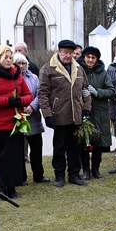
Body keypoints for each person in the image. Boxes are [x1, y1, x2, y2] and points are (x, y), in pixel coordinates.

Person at [0, 44, 33, 198]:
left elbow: (29, 95)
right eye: (5, 57)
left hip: (15, 123)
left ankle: (12, 187)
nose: (9, 60)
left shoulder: (17, 74)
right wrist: (7, 101)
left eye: (10, 57)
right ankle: (1, 187)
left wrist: (20, 101)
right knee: (0, 157)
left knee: (14, 157)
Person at [38, 39, 92, 187]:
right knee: (59, 148)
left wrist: (86, 109)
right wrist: (48, 115)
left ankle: (74, 174)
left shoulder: (79, 69)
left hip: (76, 116)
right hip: (58, 116)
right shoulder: (48, 69)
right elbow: (42, 94)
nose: (68, 56)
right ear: (59, 52)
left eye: (71, 53)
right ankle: (59, 175)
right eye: (65, 52)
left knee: (75, 148)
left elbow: (86, 91)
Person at [79, 46, 116, 179]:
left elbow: (112, 91)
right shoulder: (78, 70)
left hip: (99, 111)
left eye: (93, 58)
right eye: (88, 57)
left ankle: (96, 169)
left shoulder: (102, 73)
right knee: (84, 140)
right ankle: (86, 170)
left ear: (97, 59)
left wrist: (97, 92)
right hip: (83, 110)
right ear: (84, 57)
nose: (90, 60)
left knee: (98, 143)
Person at [14, 53, 50, 184]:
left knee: (36, 149)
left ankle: (38, 175)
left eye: (24, 63)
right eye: (19, 63)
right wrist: (22, 109)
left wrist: (32, 106)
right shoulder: (11, 78)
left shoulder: (34, 77)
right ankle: (21, 177)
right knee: (18, 150)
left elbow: (40, 94)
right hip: (17, 119)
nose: (22, 66)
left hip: (33, 118)